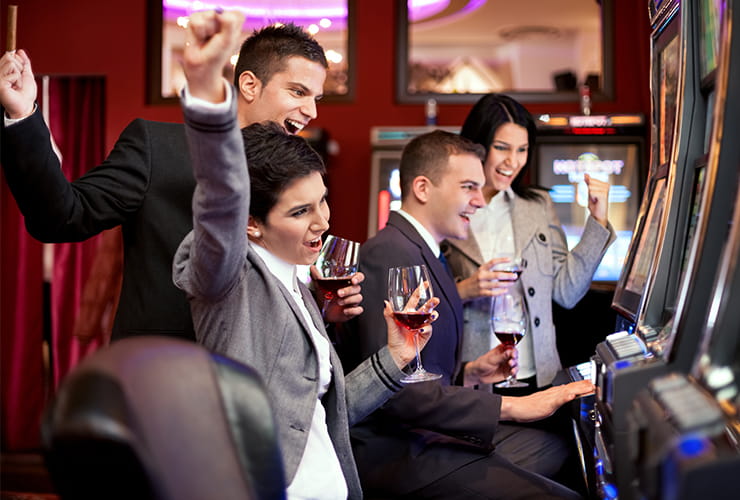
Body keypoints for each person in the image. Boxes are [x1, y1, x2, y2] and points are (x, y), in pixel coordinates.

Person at [171, 10, 437, 499]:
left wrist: (398, 356)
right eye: (300, 212)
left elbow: (322, 415)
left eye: (323, 201)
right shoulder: (228, 275)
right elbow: (220, 197)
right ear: (251, 223)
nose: (324, 222)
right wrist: (207, 85)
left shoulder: (296, 281)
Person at [0, 20, 361, 343]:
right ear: (249, 85)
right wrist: (22, 115)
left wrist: (316, 306)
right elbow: (63, 215)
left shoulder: (299, 175)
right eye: (298, 92)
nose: (312, 111)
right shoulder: (158, 148)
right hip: (166, 373)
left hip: (258, 397)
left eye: (316, 98)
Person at [349, 129, 595, 499]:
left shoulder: (428, 251)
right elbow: (397, 393)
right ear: (422, 188)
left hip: (426, 434)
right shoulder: (389, 254)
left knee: (560, 448)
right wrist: (515, 406)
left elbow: (419, 370)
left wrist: (470, 373)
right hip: (402, 452)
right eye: (468, 187)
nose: (480, 201)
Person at [444, 93, 615, 392]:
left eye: (522, 150)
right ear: (477, 144)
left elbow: (567, 292)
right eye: (502, 148)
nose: (513, 162)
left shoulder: (539, 205)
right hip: (470, 379)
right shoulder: (447, 206)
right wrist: (465, 290)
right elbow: (418, 300)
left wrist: (597, 220)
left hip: (538, 377)